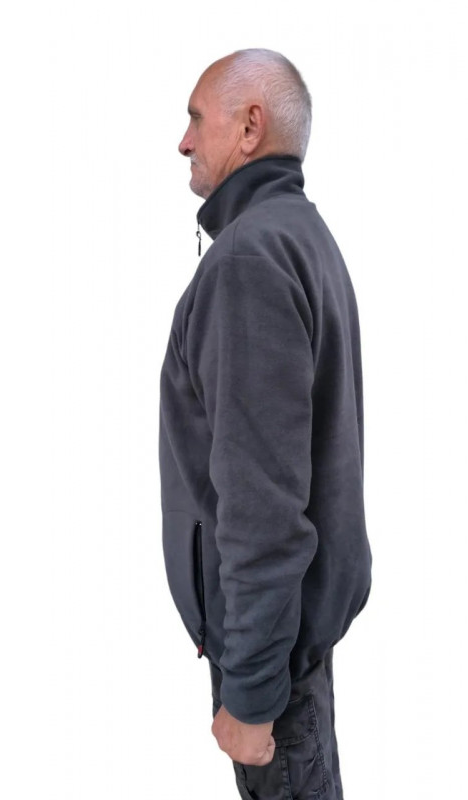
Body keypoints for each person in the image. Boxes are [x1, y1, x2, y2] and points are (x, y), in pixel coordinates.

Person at [158, 48, 372, 799]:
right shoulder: (295, 235)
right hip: (289, 646)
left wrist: (250, 694)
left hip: (272, 669)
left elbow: (263, 507)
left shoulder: (250, 260)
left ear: (250, 128)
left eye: (196, 119)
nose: (183, 141)